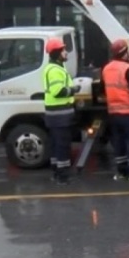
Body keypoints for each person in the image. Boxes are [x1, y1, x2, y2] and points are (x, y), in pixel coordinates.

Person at [102, 39, 129, 182]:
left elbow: (104, 88)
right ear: (124, 53)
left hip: (113, 114)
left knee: (119, 143)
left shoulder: (106, 69)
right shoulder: (128, 69)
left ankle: (121, 172)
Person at [42, 37, 81, 185]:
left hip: (55, 115)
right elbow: (57, 91)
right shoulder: (55, 70)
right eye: (63, 50)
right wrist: (74, 89)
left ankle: (56, 171)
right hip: (60, 115)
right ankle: (62, 175)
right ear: (57, 53)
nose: (66, 52)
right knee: (62, 145)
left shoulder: (55, 68)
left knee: (56, 145)